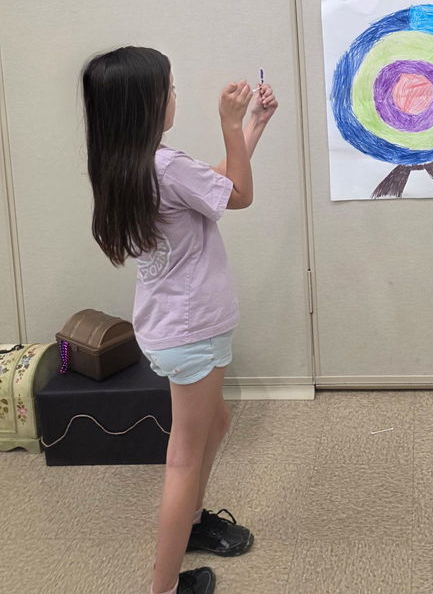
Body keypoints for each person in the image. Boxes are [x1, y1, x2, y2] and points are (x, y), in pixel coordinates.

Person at [81, 46, 278, 594]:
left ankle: (191, 524)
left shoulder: (127, 164)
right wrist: (229, 122)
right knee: (183, 459)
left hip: (174, 327)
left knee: (216, 423)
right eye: (169, 89)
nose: (174, 97)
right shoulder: (164, 165)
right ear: (146, 105)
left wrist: (251, 127)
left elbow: (212, 187)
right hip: (193, 330)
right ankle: (164, 586)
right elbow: (238, 196)